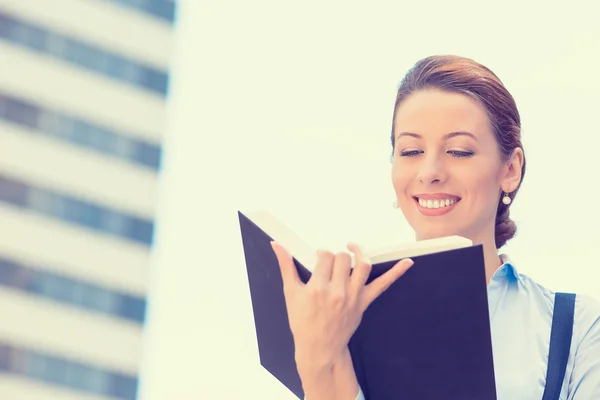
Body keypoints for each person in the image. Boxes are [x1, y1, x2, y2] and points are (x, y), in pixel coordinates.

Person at [270, 55, 600, 399]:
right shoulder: (341, 320)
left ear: (511, 170)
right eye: (411, 150)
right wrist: (317, 359)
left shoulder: (578, 328)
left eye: (458, 151)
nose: (429, 172)